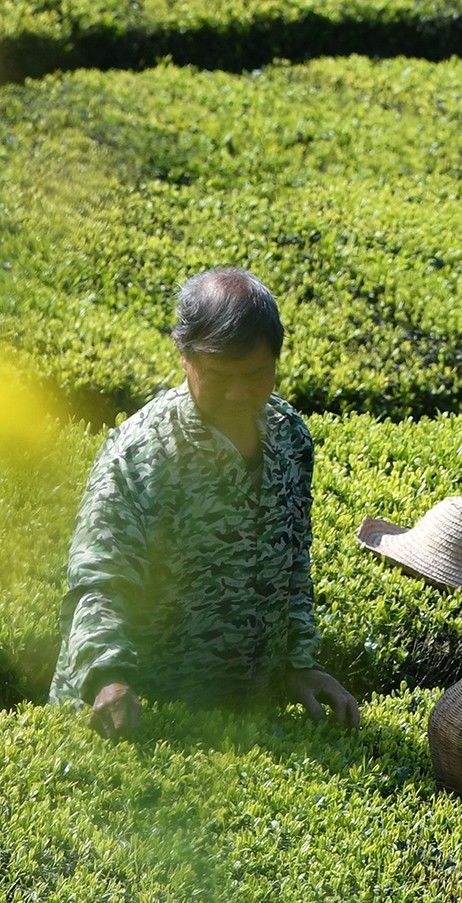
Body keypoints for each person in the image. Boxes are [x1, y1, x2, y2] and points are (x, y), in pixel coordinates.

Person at [50, 268, 361, 739]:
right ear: (185, 357)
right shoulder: (142, 452)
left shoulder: (290, 437)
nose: (240, 393)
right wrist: (107, 677)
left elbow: (292, 562)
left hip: (238, 719)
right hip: (138, 715)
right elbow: (100, 580)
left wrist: (299, 664)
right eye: (220, 376)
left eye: (257, 374)